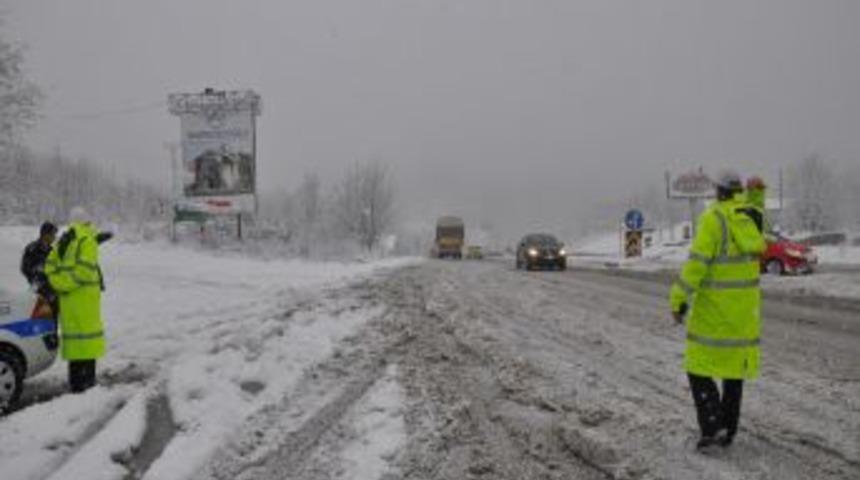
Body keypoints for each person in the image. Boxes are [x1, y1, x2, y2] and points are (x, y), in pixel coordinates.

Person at [669, 170, 766, 451]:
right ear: (737, 192)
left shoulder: (713, 219)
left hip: (714, 314)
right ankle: (728, 429)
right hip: (744, 316)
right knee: (734, 373)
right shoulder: (752, 217)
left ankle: (712, 427)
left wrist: (678, 299)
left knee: (697, 367)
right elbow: (755, 209)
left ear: (718, 192)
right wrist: (756, 193)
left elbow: (696, 265)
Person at [45, 207, 110, 393]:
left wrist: (59, 283)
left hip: (68, 302)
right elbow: (84, 272)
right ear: (87, 222)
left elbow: (49, 266)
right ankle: (87, 387)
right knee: (88, 344)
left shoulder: (64, 240)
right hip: (85, 302)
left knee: (75, 345)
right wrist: (66, 284)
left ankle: (75, 385)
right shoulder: (87, 240)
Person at [21, 222, 59, 316]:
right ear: (45, 234)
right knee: (40, 320)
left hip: (53, 291)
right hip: (39, 292)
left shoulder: (52, 251)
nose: (54, 237)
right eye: (52, 234)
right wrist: (38, 275)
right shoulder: (32, 248)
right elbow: (25, 268)